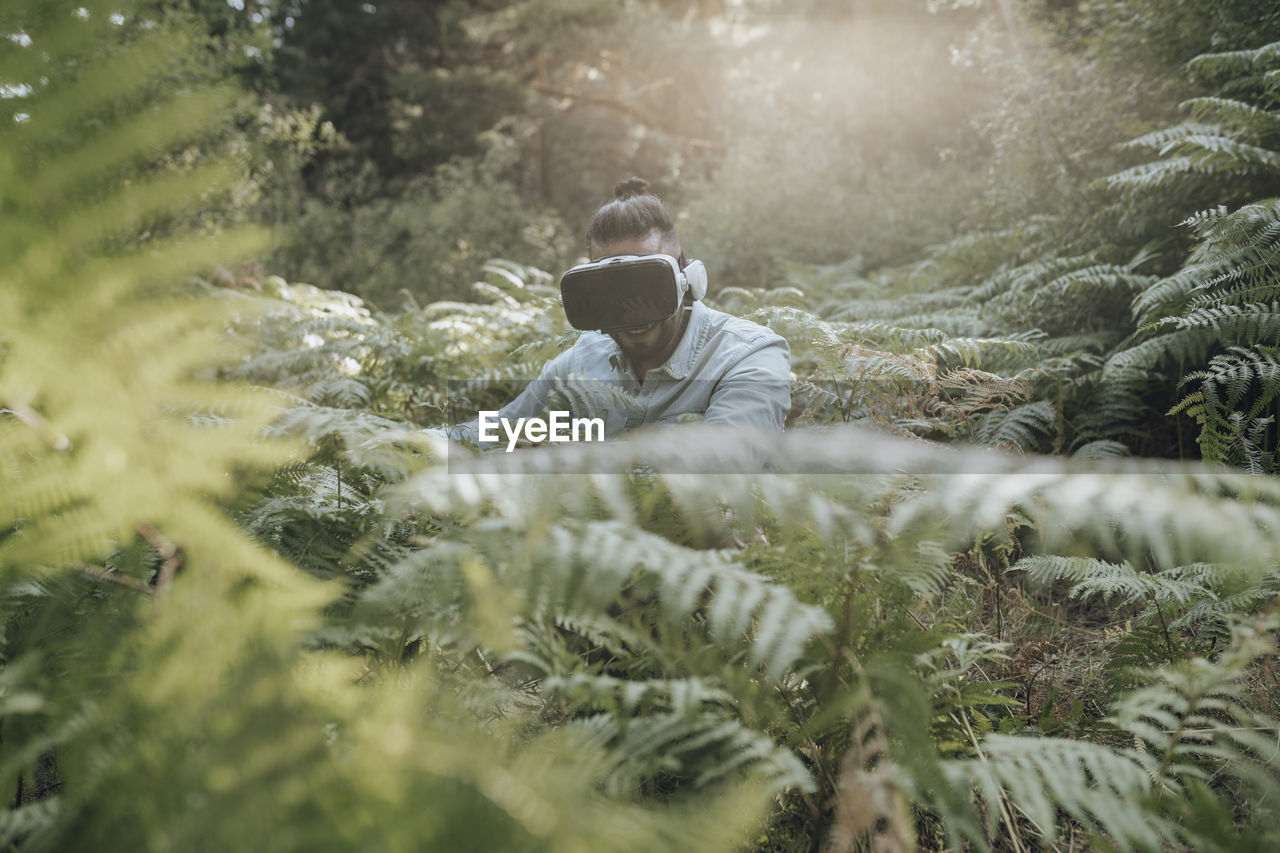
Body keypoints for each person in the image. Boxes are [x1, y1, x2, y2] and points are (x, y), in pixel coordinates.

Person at [442, 176, 791, 448]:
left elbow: (724, 465)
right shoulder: (582, 359)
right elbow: (495, 431)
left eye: (647, 284)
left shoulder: (748, 357)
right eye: (611, 289)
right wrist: (407, 444)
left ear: (688, 280)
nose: (631, 309)